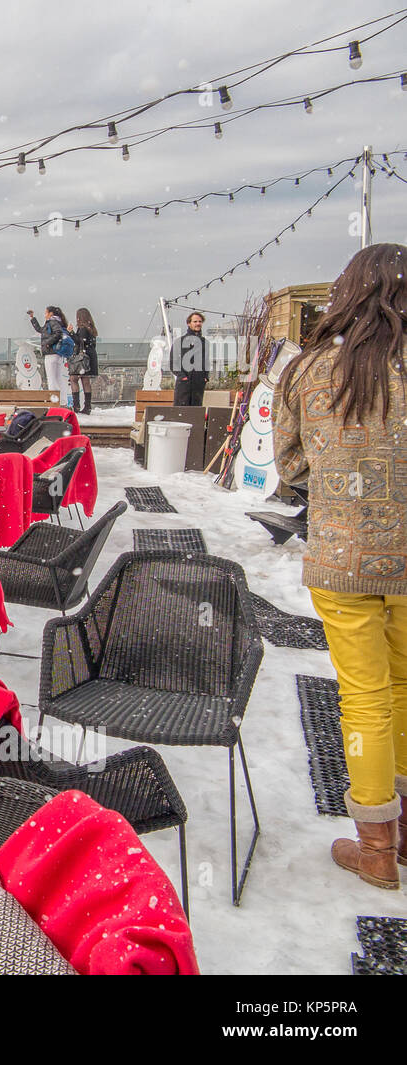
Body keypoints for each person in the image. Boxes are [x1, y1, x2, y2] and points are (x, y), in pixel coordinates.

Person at [274, 242, 407, 890]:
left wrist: (333, 489)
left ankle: (376, 845)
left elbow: (291, 465)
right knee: (405, 688)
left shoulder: (309, 370)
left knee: (364, 696)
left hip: (344, 556)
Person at [29, 306, 68, 395]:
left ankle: (54, 402)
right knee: (58, 378)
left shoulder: (52, 322)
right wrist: (32, 318)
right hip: (56, 354)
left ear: (51, 313)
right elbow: (40, 330)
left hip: (51, 353)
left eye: (46, 313)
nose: (44, 315)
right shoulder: (56, 322)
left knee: (52, 379)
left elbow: (58, 333)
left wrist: (47, 343)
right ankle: (62, 401)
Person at [172, 312, 209, 405]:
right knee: (181, 412)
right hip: (183, 385)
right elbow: (173, 362)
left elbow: (206, 361)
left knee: (196, 413)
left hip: (198, 384)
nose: (198, 324)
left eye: (200, 321)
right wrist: (182, 377)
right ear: (189, 323)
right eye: (195, 321)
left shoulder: (205, 342)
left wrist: (205, 377)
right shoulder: (179, 341)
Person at [68, 308, 99, 415]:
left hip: (83, 357)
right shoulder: (91, 329)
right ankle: (87, 406)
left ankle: (76, 405)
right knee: (85, 381)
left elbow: (78, 341)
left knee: (73, 378)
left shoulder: (82, 329)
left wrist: (71, 332)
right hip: (90, 356)